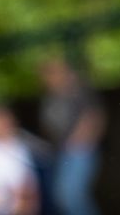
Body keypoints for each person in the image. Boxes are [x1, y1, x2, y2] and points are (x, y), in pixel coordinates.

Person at [38, 57, 104, 215]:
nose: (49, 78)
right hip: (62, 153)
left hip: (80, 151)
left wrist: (78, 141)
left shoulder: (78, 92)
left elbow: (95, 117)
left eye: (53, 73)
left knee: (71, 196)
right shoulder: (50, 99)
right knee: (62, 196)